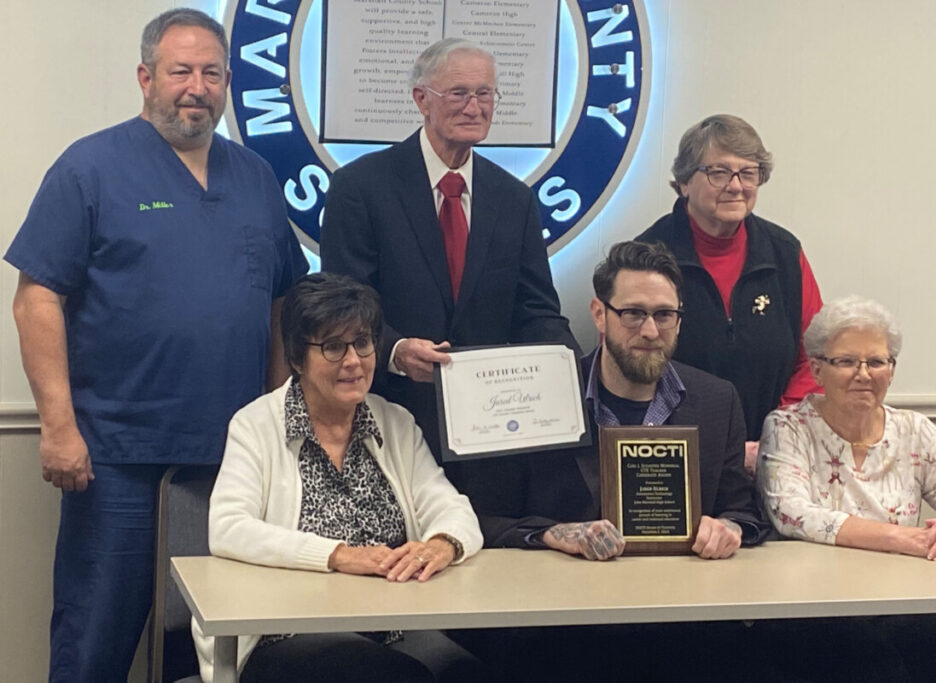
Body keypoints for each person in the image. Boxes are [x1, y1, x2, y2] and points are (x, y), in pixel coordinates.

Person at [4, 9, 308, 681]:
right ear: (146, 78)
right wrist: (57, 425)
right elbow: (36, 298)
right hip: (117, 458)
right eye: (180, 72)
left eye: (210, 73)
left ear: (228, 82)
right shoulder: (91, 167)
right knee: (95, 641)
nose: (195, 87)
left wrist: (280, 419)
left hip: (231, 464)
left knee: (209, 650)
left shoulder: (255, 177)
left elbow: (283, 303)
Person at [454, 241, 770, 681]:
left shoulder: (718, 401)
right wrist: (553, 535)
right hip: (562, 626)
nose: (650, 330)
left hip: (681, 621)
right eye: (633, 313)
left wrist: (730, 528)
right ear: (599, 314)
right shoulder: (532, 399)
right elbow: (485, 517)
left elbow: (743, 508)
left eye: (664, 315)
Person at [194, 273, 483, 683]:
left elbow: (452, 508)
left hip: (391, 627)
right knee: (387, 676)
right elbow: (227, 529)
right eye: (332, 347)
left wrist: (442, 544)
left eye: (363, 343)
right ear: (297, 358)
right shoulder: (255, 425)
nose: (353, 361)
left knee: (469, 673)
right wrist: (338, 555)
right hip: (283, 629)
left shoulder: (395, 422)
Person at [320, 38, 579, 464]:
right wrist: (396, 350)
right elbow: (342, 305)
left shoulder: (514, 199)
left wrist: (574, 373)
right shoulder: (361, 188)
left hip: (492, 435)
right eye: (458, 93)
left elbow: (536, 311)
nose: (474, 107)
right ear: (422, 99)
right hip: (389, 420)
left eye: (485, 94)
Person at [757, 295, 936, 681]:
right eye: (846, 361)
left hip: (899, 600)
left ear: (891, 370)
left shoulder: (913, 431)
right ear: (816, 368)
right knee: (877, 672)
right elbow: (793, 514)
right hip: (811, 604)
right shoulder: (788, 427)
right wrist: (904, 539)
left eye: (877, 361)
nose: (864, 374)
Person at [636, 114, 823, 473]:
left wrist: (775, 439)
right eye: (719, 172)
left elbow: (816, 359)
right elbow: (631, 368)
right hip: (676, 457)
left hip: (775, 458)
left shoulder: (785, 253)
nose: (736, 186)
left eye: (748, 173)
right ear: (684, 183)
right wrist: (719, 448)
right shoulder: (647, 257)